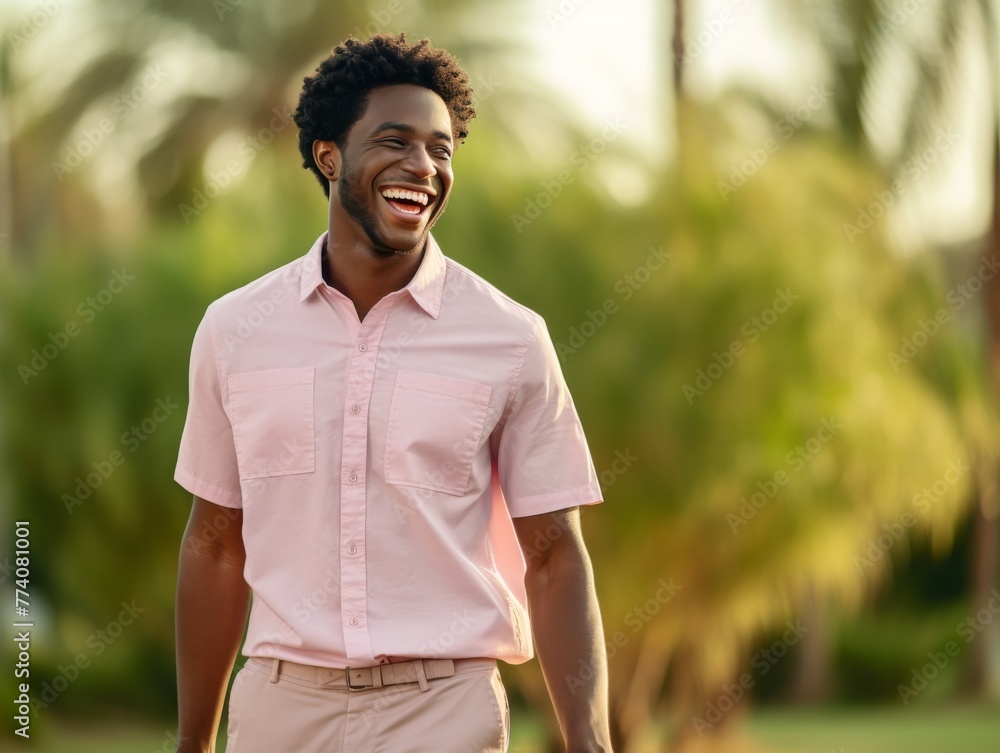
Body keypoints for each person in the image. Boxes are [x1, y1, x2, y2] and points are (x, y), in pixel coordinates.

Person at [173, 32, 612, 753]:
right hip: (281, 709)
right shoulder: (233, 330)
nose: (424, 166)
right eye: (396, 141)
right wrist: (193, 742)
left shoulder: (510, 338)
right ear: (329, 154)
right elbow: (215, 545)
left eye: (441, 149)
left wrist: (590, 743)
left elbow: (556, 555)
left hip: (444, 709)